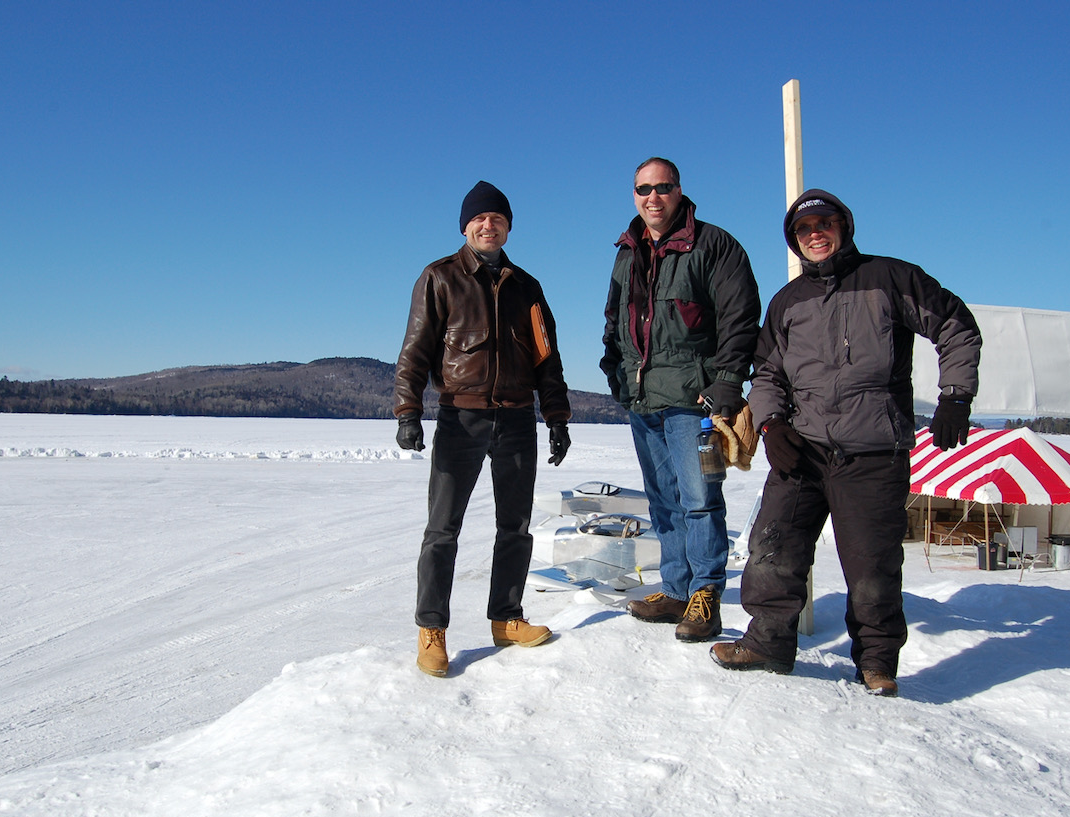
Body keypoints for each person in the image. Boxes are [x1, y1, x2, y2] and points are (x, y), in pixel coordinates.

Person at [710, 188, 981, 697]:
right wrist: (771, 426)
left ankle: (876, 663)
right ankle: (768, 642)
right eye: (803, 229)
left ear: (844, 226)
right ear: (794, 240)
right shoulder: (789, 301)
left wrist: (956, 396)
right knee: (772, 547)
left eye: (824, 224)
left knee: (872, 564)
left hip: (873, 451)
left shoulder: (890, 278)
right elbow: (767, 372)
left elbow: (955, 325)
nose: (815, 234)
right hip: (803, 447)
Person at [394, 180, 573, 678]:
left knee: (515, 527)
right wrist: (408, 411)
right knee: (442, 529)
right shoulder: (440, 277)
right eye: (479, 218)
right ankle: (432, 629)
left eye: (497, 218)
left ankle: (506, 618)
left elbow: (547, 359)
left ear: (508, 227)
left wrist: (557, 417)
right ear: (465, 227)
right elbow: (415, 351)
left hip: (516, 419)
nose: (488, 225)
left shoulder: (527, 287)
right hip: (461, 417)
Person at [601, 157, 761, 642]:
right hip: (643, 399)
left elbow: (740, 317)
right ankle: (675, 590)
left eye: (662, 187)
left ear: (679, 190)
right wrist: (615, 372)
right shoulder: (628, 252)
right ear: (634, 195)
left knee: (699, 501)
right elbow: (614, 320)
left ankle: (705, 595)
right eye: (643, 189)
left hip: (695, 402)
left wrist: (727, 382)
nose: (653, 197)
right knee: (663, 502)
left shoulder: (713, 245)